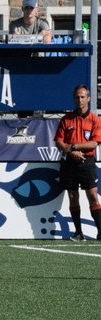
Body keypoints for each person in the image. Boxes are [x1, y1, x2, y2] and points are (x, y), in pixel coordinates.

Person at [54, 84, 101, 241]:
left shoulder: (95, 120)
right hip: (70, 162)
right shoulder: (66, 119)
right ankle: (78, 233)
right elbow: (59, 142)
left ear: (88, 99)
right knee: (73, 196)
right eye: (77, 97)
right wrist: (71, 152)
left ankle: (100, 231)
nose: (80, 100)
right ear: (74, 99)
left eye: (82, 97)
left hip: (87, 161)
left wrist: (73, 147)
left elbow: (94, 143)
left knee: (93, 196)